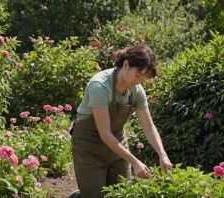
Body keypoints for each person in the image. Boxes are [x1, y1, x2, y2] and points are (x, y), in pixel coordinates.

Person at [68, 45, 172, 198]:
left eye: (143, 77)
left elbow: (148, 125)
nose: (140, 81)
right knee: (95, 195)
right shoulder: (100, 86)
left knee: (121, 193)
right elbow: (104, 134)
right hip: (88, 145)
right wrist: (135, 162)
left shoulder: (136, 90)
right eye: (138, 74)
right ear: (125, 64)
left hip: (117, 142)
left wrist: (162, 154)